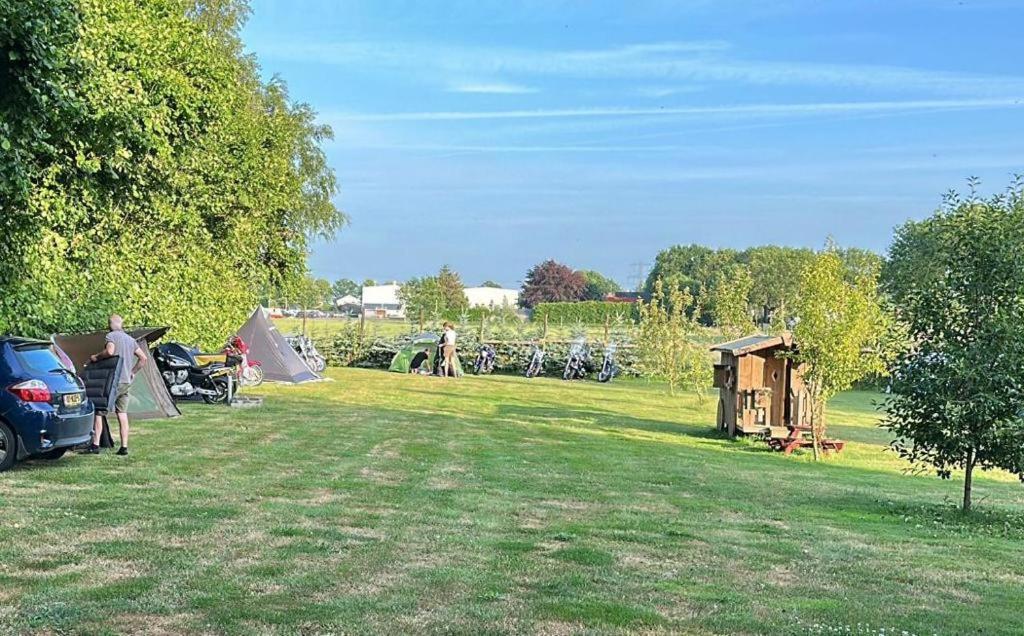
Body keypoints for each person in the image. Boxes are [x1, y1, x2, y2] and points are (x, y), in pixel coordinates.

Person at [86, 315, 148, 456]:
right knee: (122, 413)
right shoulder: (131, 340)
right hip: (126, 382)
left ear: (110, 324)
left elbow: (110, 351)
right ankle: (124, 447)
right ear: (121, 324)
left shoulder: (111, 336)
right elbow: (143, 358)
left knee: (99, 411)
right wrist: (133, 372)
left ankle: (95, 445)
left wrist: (96, 357)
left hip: (113, 382)